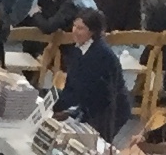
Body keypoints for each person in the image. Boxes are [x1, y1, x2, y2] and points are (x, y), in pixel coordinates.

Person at [54, 11, 131, 140]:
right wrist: (56, 104)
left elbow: (85, 89)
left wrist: (57, 107)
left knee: (93, 146)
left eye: (80, 28)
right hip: (91, 104)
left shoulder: (100, 54)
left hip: (111, 109)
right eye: (74, 26)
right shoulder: (79, 48)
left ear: (92, 32)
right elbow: (72, 82)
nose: (74, 31)